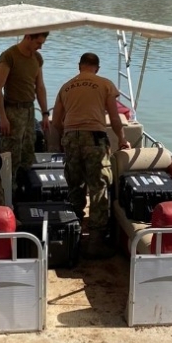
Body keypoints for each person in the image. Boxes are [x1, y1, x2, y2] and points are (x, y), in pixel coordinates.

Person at [52, 52, 130, 259]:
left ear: (80, 66)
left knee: (75, 185)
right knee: (99, 187)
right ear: (97, 67)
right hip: (95, 139)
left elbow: (56, 121)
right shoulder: (104, 84)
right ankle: (95, 242)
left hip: (70, 138)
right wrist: (122, 139)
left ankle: (73, 237)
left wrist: (65, 139)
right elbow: (114, 117)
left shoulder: (65, 87)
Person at [0, 31, 50, 185]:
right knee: (10, 154)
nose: (40, 47)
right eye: (38, 43)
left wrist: (45, 113)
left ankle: (24, 190)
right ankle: (7, 192)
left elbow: (40, 87)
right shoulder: (9, 57)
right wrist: (2, 117)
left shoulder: (37, 59)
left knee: (27, 151)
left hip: (29, 111)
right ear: (28, 37)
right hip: (12, 110)